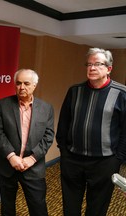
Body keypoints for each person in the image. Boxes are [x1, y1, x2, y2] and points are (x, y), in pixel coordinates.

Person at [56, 47, 126, 216]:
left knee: (97, 207)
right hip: (72, 159)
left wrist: (118, 159)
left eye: (97, 64)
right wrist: (64, 152)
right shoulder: (75, 91)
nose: (92, 68)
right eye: (89, 64)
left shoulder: (122, 93)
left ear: (109, 69)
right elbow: (64, 123)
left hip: (104, 162)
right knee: (70, 206)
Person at [0, 69, 55, 216]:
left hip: (33, 166)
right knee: (7, 207)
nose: (22, 87)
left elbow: (48, 136)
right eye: (18, 83)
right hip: (7, 165)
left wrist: (32, 158)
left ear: (34, 85)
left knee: (38, 208)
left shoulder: (46, 108)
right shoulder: (3, 104)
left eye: (26, 83)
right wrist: (11, 156)